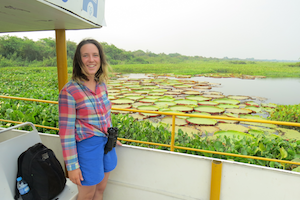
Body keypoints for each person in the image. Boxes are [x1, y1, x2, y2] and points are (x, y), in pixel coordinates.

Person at [58, 38, 121, 200]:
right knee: (87, 195)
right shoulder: (69, 91)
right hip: (88, 148)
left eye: (95, 55)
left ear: (101, 58)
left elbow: (106, 115)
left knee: (101, 189)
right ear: (79, 60)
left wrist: (113, 137)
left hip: (107, 144)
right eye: (86, 56)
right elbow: (66, 133)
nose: (91, 60)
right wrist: (72, 167)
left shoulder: (102, 84)